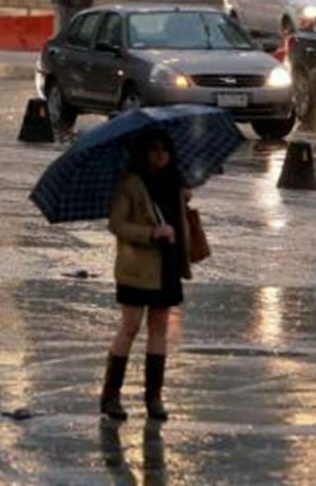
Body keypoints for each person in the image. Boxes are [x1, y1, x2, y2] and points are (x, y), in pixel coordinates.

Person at [100, 129, 192, 421]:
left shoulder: (175, 183)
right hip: (137, 268)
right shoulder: (130, 183)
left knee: (159, 328)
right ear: (143, 152)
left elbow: (179, 223)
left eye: (165, 149)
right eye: (153, 149)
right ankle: (110, 395)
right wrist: (151, 233)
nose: (160, 155)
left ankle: (154, 397)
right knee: (130, 326)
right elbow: (117, 224)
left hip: (167, 265)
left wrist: (183, 203)